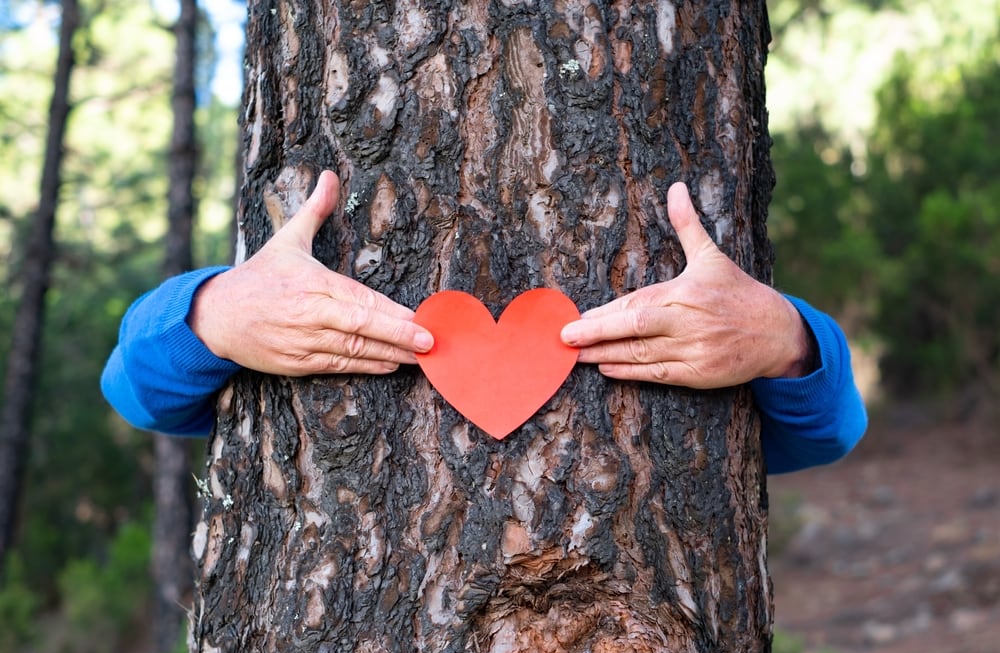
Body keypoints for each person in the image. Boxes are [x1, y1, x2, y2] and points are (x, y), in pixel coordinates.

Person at [101, 171, 866, 474]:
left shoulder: (734, 347)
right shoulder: (260, 315)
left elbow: (830, 430)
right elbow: (135, 389)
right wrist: (209, 311)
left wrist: (787, 338)